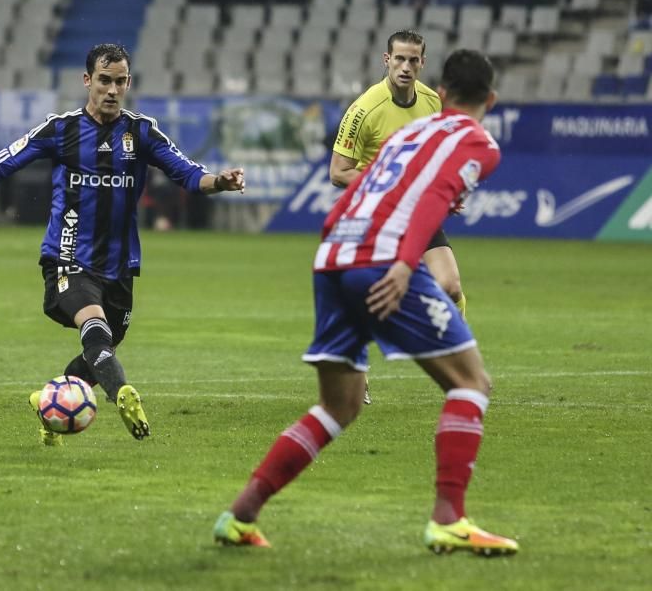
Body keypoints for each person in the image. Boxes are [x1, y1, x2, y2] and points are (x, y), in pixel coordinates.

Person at [213, 49, 519, 558]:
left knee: (340, 405)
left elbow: (380, 186)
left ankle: (240, 515)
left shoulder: (407, 134)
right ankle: (450, 518)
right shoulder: (481, 143)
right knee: (470, 383)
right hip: (381, 260)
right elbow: (426, 200)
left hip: (333, 254)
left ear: (440, 94)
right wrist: (402, 265)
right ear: (491, 99)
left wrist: (337, 247)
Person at [0, 43, 246, 445]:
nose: (112, 89)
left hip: (120, 266)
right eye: (104, 80)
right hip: (67, 258)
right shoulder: (61, 130)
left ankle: (47, 404)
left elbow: (190, 175)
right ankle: (122, 394)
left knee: (100, 348)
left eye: (120, 81)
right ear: (87, 80)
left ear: (128, 83)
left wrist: (220, 182)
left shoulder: (141, 133)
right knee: (95, 326)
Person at [329, 30, 452, 405]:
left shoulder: (432, 101)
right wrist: (389, 187)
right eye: (399, 59)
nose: (406, 66)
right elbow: (338, 172)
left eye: (413, 60)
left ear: (422, 63)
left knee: (450, 285)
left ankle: (451, 362)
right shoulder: (364, 108)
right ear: (386, 60)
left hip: (415, 210)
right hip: (373, 212)